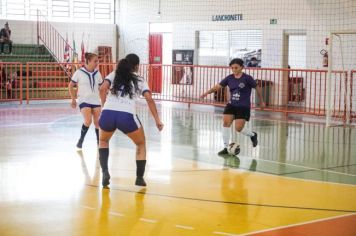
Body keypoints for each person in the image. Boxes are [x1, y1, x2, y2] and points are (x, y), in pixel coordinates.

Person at [98, 54, 163, 188]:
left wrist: (104, 106)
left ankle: (105, 172)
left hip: (108, 113)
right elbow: (149, 99)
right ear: (136, 66)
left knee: (103, 141)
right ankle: (139, 178)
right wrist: (157, 120)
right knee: (140, 143)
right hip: (126, 116)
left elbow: (102, 88)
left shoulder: (114, 74)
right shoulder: (139, 79)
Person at [200, 58, 265, 155]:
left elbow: (257, 88)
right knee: (226, 123)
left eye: (236, 68)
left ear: (242, 67)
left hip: (243, 106)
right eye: (232, 68)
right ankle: (226, 148)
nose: (234, 70)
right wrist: (206, 93)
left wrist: (262, 101)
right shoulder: (229, 78)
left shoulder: (247, 78)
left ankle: (253, 135)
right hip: (231, 105)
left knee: (238, 129)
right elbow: (217, 87)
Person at [68, 52, 103, 149]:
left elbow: (102, 87)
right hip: (84, 100)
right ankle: (81, 139)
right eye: (95, 61)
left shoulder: (97, 73)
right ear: (88, 61)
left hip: (96, 100)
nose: (97, 63)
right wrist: (73, 99)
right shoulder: (79, 72)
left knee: (97, 122)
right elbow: (71, 85)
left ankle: (98, 142)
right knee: (88, 121)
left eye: (98, 61)